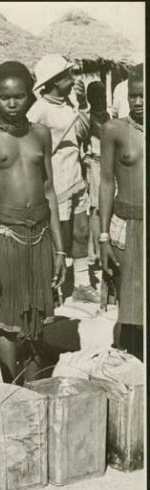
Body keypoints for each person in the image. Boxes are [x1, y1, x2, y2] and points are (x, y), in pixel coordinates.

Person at [0, 61, 66, 383]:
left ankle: (37, 391)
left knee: (39, 320)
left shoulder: (40, 135)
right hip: (5, 237)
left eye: (19, 96)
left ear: (30, 96)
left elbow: (50, 191)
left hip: (40, 235)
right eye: (4, 97)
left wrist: (60, 250)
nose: (12, 104)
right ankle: (11, 388)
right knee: (8, 323)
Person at [27, 55, 95, 303]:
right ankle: (53, 286)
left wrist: (84, 104)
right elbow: (28, 142)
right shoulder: (39, 109)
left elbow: (82, 132)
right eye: (68, 75)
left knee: (81, 230)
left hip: (76, 177)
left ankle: (82, 283)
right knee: (57, 234)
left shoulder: (70, 106)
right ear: (55, 81)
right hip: (55, 182)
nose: (73, 79)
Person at [99, 64, 144, 361]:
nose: (138, 102)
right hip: (126, 223)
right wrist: (102, 236)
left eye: (144, 96)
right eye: (134, 96)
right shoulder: (115, 129)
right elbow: (104, 182)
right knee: (128, 305)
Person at [84, 81, 110, 263]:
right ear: (90, 99)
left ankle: (102, 245)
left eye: (103, 96)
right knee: (95, 207)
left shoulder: (107, 116)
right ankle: (97, 252)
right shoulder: (87, 118)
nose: (101, 100)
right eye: (97, 97)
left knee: (105, 204)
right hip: (94, 162)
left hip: (107, 163)